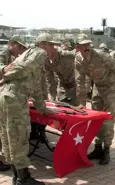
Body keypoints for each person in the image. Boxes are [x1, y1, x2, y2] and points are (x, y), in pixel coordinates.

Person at [0, 33, 57, 185]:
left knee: (9, 137)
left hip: (6, 97)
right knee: (19, 137)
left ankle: (17, 176)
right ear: (43, 44)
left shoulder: (31, 57)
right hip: (15, 99)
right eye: (52, 45)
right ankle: (22, 179)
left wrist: (43, 109)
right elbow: (22, 68)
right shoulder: (39, 52)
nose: (53, 48)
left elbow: (37, 88)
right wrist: (5, 77)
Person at [74, 34, 115, 165]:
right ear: (77, 47)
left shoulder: (103, 56)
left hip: (111, 88)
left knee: (108, 119)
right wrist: (82, 104)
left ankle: (106, 149)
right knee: (96, 119)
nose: (86, 47)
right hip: (97, 87)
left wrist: (109, 77)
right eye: (83, 45)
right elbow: (80, 82)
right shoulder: (78, 60)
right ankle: (97, 148)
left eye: (88, 44)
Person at [0, 35, 28, 172]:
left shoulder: (13, 56)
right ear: (12, 44)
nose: (21, 50)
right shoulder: (4, 52)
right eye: (20, 47)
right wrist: (4, 69)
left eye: (23, 48)